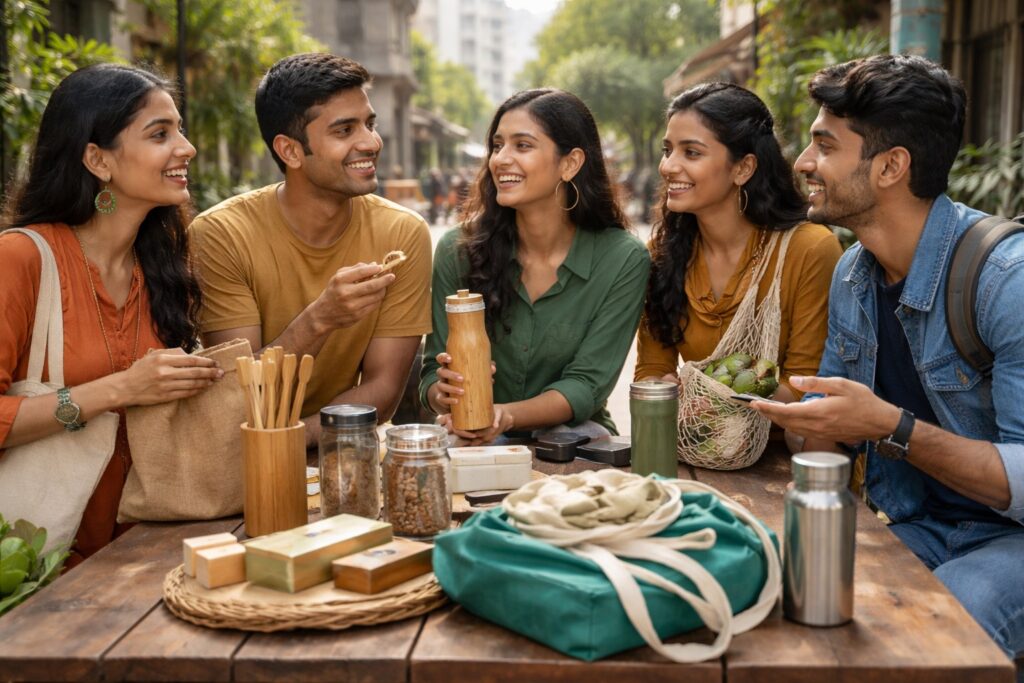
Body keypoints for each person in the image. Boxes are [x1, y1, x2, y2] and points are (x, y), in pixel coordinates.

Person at [751, 54, 1024, 663]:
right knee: (778, 596)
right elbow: (832, 440)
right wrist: (794, 419)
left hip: (1012, 541)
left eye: (824, 145)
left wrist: (889, 426)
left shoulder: (1008, 279)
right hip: (916, 524)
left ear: (891, 166)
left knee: (928, 632)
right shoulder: (854, 274)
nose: (802, 163)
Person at [0, 64, 222, 566]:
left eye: (179, 130)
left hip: (150, 553)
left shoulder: (163, 267)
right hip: (39, 567)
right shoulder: (20, 259)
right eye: (160, 134)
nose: (185, 148)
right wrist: (120, 389)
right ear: (98, 159)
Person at [190, 53, 432, 446]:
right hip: (243, 459)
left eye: (369, 124)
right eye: (344, 130)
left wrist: (293, 439)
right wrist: (320, 318)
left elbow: (383, 391)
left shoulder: (402, 233)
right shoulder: (221, 234)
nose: (370, 143)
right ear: (290, 151)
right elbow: (240, 396)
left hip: (344, 447)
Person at [420, 88, 650, 445]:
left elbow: (587, 384)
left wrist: (506, 416)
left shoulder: (623, 258)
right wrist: (444, 392)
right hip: (472, 435)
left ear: (570, 163)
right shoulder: (457, 249)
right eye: (498, 146)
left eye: (522, 146)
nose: (501, 159)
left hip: (573, 439)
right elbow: (432, 372)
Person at [635, 82, 843, 407]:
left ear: (743, 168)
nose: (668, 166)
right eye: (667, 150)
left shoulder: (809, 249)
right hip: (696, 442)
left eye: (691, 152)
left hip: (784, 447)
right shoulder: (662, 254)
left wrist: (709, 398)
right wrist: (661, 388)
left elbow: (806, 387)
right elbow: (652, 368)